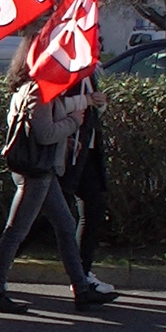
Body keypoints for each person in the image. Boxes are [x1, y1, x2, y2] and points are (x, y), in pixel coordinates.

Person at [0, 39, 123, 314]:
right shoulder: (39, 91)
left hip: (40, 170)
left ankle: (81, 289)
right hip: (35, 171)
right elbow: (45, 133)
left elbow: (49, 119)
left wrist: (77, 112)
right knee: (16, 231)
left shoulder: (35, 89)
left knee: (65, 225)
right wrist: (74, 122)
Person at [57, 72, 115, 295]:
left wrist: (99, 104)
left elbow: (91, 108)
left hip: (87, 153)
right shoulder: (65, 65)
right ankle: (4, 255)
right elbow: (51, 101)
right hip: (68, 151)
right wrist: (86, 101)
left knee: (94, 208)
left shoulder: (89, 71)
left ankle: (82, 274)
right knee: (43, 216)